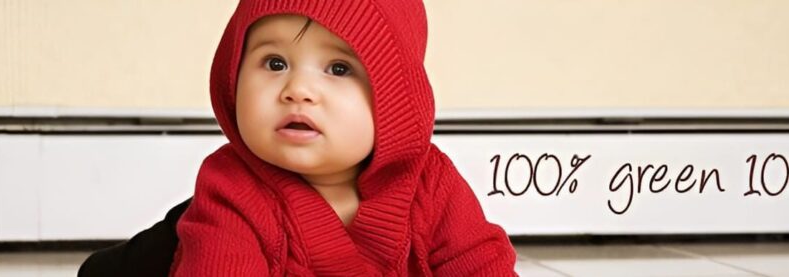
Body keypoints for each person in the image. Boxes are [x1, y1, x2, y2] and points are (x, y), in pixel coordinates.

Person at [80, 1, 517, 275]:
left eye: (338, 69)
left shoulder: (431, 182)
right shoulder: (233, 188)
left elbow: (481, 263)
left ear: (394, 97)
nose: (298, 90)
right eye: (274, 63)